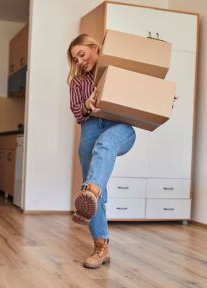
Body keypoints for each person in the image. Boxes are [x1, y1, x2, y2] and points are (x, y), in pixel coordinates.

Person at [67, 34, 136, 269]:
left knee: (105, 145)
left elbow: (147, 89)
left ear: (94, 48)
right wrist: (87, 104)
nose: (79, 61)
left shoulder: (119, 69)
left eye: (82, 54)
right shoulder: (77, 82)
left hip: (120, 127)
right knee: (96, 192)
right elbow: (78, 112)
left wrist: (161, 97)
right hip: (90, 128)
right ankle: (101, 248)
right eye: (75, 59)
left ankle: (91, 192)